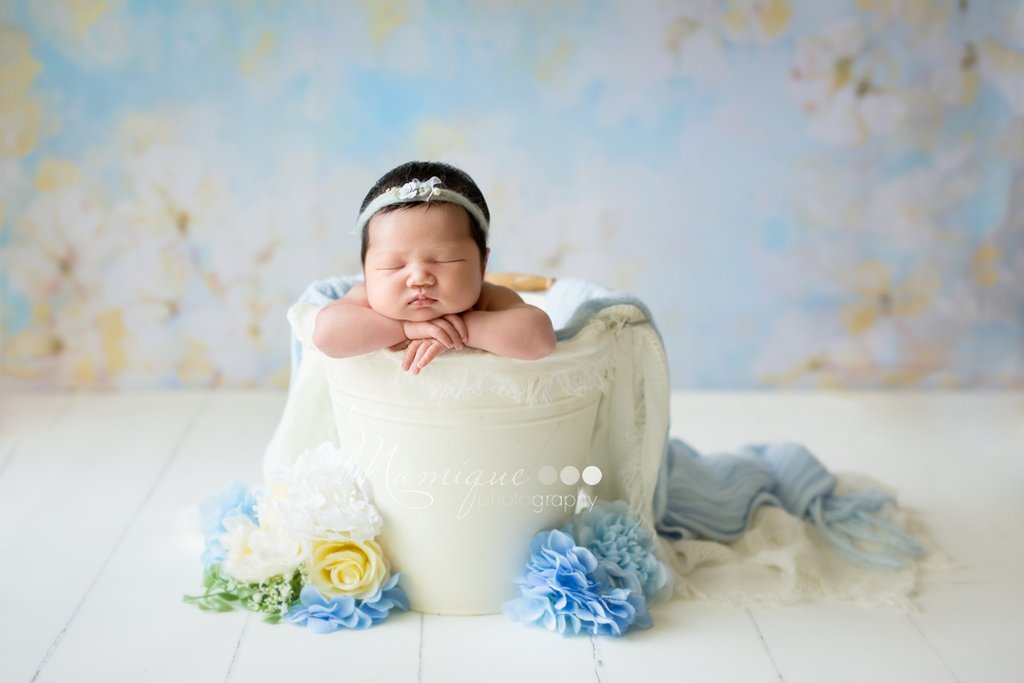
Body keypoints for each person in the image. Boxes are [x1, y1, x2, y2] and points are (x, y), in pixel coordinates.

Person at [313, 161, 556, 374]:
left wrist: (464, 329)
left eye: (444, 260)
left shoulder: (488, 300)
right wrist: (406, 328)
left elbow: (540, 339)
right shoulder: (366, 300)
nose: (419, 278)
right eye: (393, 265)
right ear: (366, 272)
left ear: (482, 266)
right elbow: (326, 334)